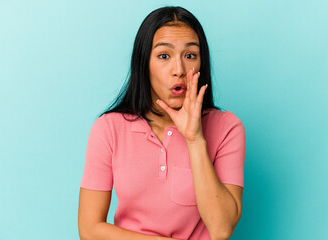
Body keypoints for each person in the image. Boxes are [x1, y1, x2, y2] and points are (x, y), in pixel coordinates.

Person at [78, 6, 245, 240]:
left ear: (201, 64)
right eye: (164, 56)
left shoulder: (227, 128)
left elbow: (221, 229)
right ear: (144, 64)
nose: (178, 70)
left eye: (190, 56)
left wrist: (194, 139)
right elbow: (89, 229)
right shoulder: (109, 129)